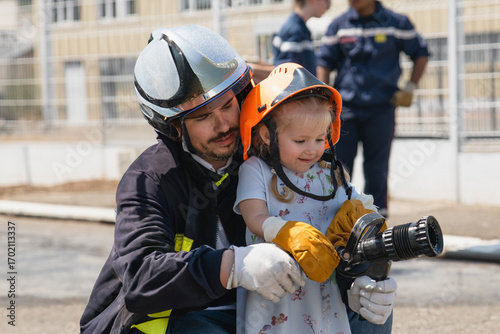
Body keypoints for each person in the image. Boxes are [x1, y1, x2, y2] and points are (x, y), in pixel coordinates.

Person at [79, 25, 308, 334]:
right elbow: (142, 276)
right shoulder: (148, 180)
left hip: (246, 314)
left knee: (362, 316)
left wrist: (359, 275)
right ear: (174, 128)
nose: (224, 123)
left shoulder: (263, 157)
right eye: (202, 116)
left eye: (228, 104)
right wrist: (233, 266)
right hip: (162, 324)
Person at [234, 62, 397, 333]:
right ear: (266, 135)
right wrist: (285, 231)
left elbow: (362, 205)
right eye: (300, 141)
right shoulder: (256, 171)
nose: (312, 150)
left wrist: (367, 218)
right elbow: (254, 217)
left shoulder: (330, 174)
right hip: (277, 293)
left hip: (324, 293)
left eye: (320, 139)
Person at [316, 0, 430, 217]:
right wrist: (324, 99)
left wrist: (411, 86)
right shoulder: (339, 25)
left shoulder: (396, 23)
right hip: (345, 111)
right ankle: (338, 221)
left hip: (381, 110)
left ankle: (376, 224)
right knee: (339, 168)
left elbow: (421, 53)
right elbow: (324, 62)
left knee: (377, 170)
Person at [272, 0, 331, 75]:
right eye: (327, 1)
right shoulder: (295, 31)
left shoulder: (298, 28)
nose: (328, 7)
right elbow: (287, 75)